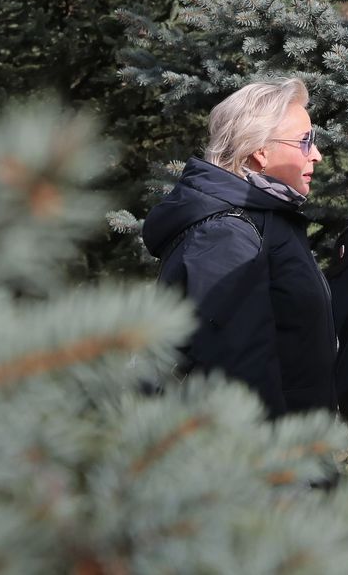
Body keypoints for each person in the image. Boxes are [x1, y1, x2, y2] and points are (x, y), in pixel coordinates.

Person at [143, 77, 336, 418]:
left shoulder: (266, 222)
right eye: (305, 142)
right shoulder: (226, 234)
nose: (317, 155)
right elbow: (239, 375)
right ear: (261, 150)